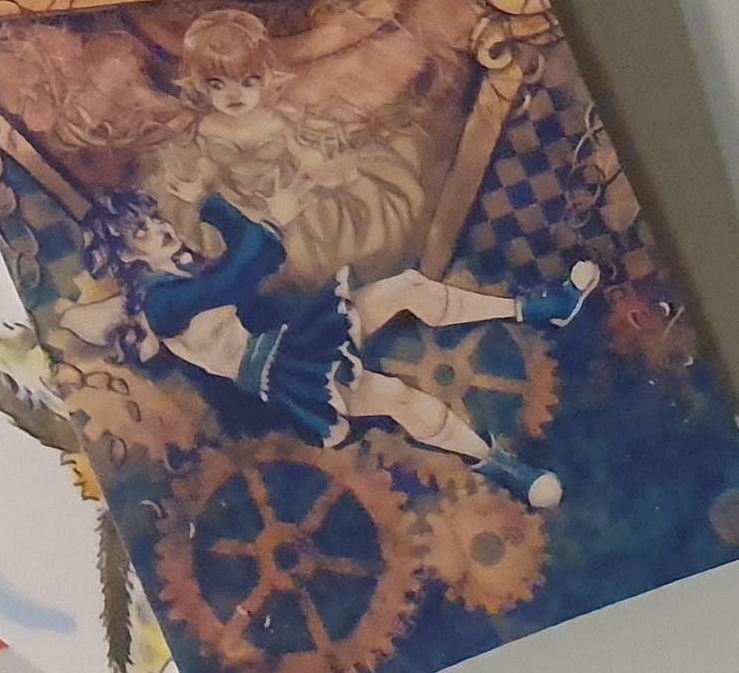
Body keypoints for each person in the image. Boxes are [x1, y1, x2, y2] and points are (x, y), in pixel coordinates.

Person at [60, 185, 588, 506]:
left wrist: (218, 209)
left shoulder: (180, 274)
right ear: (126, 255)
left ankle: (540, 309)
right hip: (279, 378)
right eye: (141, 232)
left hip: (289, 342)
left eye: (153, 220)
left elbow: (252, 258)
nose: (158, 229)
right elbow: (242, 273)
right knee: (398, 398)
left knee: (408, 288)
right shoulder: (161, 303)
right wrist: (233, 212)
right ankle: (502, 466)